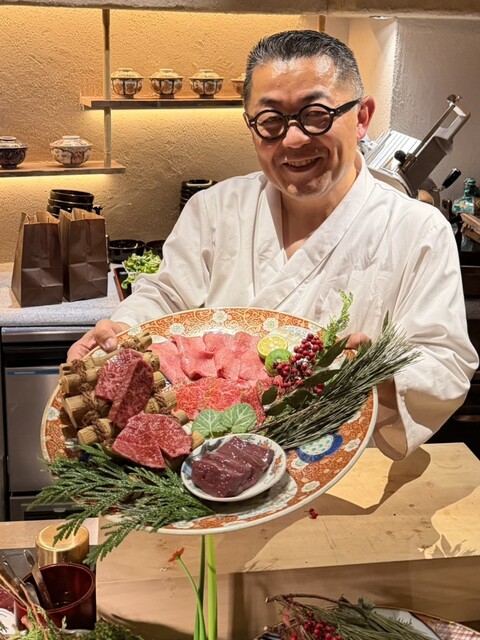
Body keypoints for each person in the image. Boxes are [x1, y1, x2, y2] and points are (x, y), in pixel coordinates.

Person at [68, 29, 478, 460]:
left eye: (316, 114)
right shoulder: (215, 208)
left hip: (346, 466)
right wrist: (123, 332)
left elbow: (445, 363)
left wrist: (376, 371)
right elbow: (167, 297)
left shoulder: (417, 230)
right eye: (270, 121)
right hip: (209, 464)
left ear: (361, 117)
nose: (294, 139)